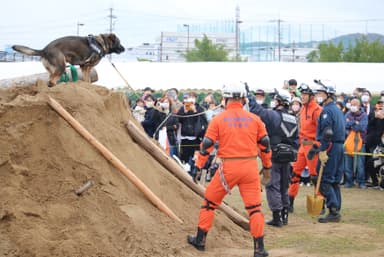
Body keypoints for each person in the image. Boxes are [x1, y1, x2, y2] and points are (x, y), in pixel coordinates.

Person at [187, 82, 272, 257]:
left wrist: (198, 166)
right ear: (242, 99)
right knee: (255, 208)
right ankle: (259, 249)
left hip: (228, 168)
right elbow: (265, 145)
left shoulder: (218, 119)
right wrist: (267, 167)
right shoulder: (255, 119)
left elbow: (207, 145)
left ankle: (200, 240)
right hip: (249, 166)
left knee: (209, 203)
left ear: (225, 99)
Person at [249, 88, 298, 227]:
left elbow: (258, 111)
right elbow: (296, 139)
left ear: (281, 101)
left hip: (274, 155)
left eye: (275, 99)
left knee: (272, 186)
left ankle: (277, 217)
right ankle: (285, 215)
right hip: (288, 157)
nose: (273, 101)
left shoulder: (275, 116)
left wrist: (249, 95)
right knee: (284, 186)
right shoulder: (293, 118)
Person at [313, 80, 346, 223]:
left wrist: (323, 150)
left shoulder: (327, 111)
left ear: (328, 95)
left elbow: (327, 132)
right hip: (339, 146)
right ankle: (336, 208)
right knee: (334, 180)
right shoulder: (337, 110)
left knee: (325, 179)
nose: (317, 96)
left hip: (331, 146)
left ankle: (333, 209)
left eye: (320, 93)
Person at [288, 83, 322, 213]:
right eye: (301, 94)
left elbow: (322, 129)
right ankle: (290, 201)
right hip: (303, 145)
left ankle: (320, 202)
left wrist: (317, 146)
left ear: (311, 96)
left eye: (305, 94)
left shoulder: (316, 110)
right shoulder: (303, 109)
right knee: (295, 173)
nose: (302, 97)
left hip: (312, 146)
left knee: (314, 176)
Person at [177, 92, 208, 177]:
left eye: (193, 97)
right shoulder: (183, 108)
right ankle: (186, 174)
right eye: (189, 97)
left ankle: (195, 174)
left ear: (195, 98)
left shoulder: (199, 108)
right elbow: (178, 119)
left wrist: (195, 111)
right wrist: (185, 111)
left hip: (196, 137)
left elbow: (202, 121)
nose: (191, 99)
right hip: (184, 137)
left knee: (195, 157)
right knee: (185, 157)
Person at [344, 98, 368, 189]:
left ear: (359, 106)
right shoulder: (347, 114)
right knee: (348, 164)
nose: (352, 106)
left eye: (354, 104)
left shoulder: (364, 115)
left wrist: (350, 123)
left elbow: (361, 127)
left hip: (361, 143)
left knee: (360, 164)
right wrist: (355, 122)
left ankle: (361, 182)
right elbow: (344, 125)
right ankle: (349, 182)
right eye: (351, 104)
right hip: (348, 142)